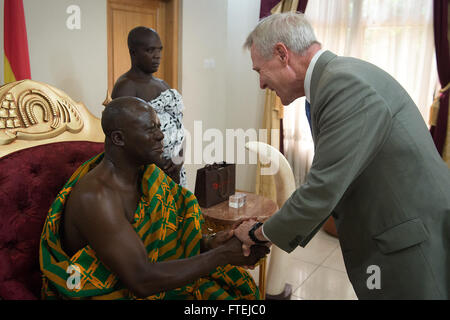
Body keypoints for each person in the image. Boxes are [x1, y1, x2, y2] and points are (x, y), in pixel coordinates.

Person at [233, 12, 450, 299]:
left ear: (282, 54)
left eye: (259, 70)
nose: (261, 83)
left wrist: (258, 232)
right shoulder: (336, 79)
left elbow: (323, 188)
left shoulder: (343, 85)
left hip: (410, 243)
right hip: (396, 233)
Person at [39, 97, 269, 300]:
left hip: (147, 277)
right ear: (119, 138)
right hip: (112, 289)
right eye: (150, 130)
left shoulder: (149, 175)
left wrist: (210, 243)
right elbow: (141, 281)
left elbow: (170, 240)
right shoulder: (97, 197)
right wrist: (222, 255)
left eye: (158, 127)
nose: (161, 135)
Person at [111, 26, 186, 187]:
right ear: (133, 52)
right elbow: (127, 137)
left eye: (159, 50)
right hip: (148, 170)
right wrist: (158, 162)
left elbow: (180, 127)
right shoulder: (126, 87)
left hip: (175, 167)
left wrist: (179, 158)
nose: (157, 56)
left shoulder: (163, 85)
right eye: (150, 50)